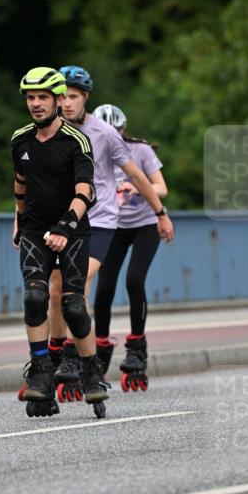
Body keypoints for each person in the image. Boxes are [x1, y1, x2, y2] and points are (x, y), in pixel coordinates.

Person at [48, 66, 174, 386]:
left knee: (116, 282)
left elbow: (140, 177)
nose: (65, 102)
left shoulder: (110, 137)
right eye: (61, 96)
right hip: (69, 219)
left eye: (72, 96)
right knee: (63, 290)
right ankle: (67, 355)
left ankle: (101, 355)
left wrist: (160, 212)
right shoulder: (50, 131)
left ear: (85, 98)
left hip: (109, 220)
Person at [11, 66, 109, 411]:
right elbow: (20, 183)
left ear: (56, 100)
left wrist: (66, 226)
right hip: (35, 230)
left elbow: (86, 190)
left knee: (73, 306)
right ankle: (39, 374)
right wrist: (19, 221)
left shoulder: (75, 141)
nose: (35, 104)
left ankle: (91, 372)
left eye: (42, 98)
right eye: (30, 98)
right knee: (35, 298)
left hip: (73, 230)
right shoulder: (20, 140)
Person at [92, 103, 171, 388]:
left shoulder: (140, 150)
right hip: (111, 225)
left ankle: (137, 349)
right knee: (104, 287)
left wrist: (137, 188)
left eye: (119, 132)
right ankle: (100, 347)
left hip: (145, 224)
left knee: (134, 280)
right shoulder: (91, 152)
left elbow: (161, 186)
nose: (114, 138)